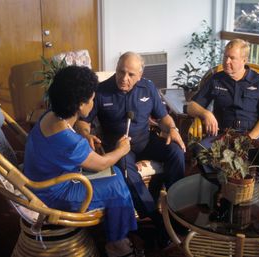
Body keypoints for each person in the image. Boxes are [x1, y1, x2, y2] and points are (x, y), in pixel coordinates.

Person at [23, 66, 139, 257]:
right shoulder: (70, 141)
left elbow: (68, 144)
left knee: (116, 176)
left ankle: (116, 233)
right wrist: (122, 149)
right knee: (117, 189)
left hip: (42, 178)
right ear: (79, 105)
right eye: (92, 99)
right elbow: (102, 163)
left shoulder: (50, 115)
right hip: (52, 193)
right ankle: (117, 244)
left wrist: (84, 136)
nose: (94, 103)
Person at [76, 51, 186, 247]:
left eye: (130, 75)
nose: (124, 78)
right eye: (120, 72)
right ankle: (154, 218)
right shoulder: (101, 91)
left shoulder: (148, 87)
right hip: (119, 146)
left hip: (146, 140)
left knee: (176, 152)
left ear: (140, 75)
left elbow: (163, 117)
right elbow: (83, 121)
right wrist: (86, 134)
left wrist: (173, 129)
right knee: (126, 170)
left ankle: (175, 209)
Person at [186, 38, 259, 180]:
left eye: (232, 58)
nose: (226, 61)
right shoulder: (217, 79)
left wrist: (248, 140)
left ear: (244, 60)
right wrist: (206, 113)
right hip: (222, 136)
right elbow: (191, 106)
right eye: (225, 56)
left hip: (250, 136)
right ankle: (220, 186)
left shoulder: (258, 82)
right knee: (200, 150)